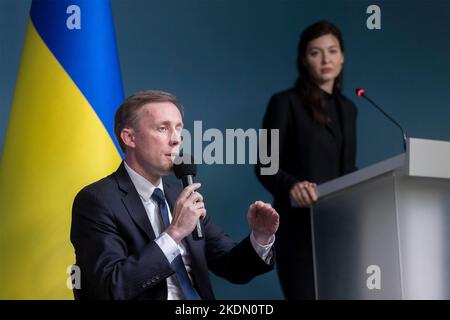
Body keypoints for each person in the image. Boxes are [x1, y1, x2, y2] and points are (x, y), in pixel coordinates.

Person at [71, 90, 280, 300]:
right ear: (129, 137)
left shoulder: (180, 194)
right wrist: (174, 233)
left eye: (179, 129)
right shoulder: (97, 201)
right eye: (163, 128)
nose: (176, 140)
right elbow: (111, 287)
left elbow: (232, 267)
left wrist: (261, 237)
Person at [255, 21, 358, 299]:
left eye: (332, 51)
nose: (326, 59)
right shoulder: (284, 103)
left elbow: (347, 170)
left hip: (339, 228)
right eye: (316, 52)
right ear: (304, 59)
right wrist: (291, 186)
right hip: (298, 230)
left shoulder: (349, 109)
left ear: (342, 56)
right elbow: (265, 163)